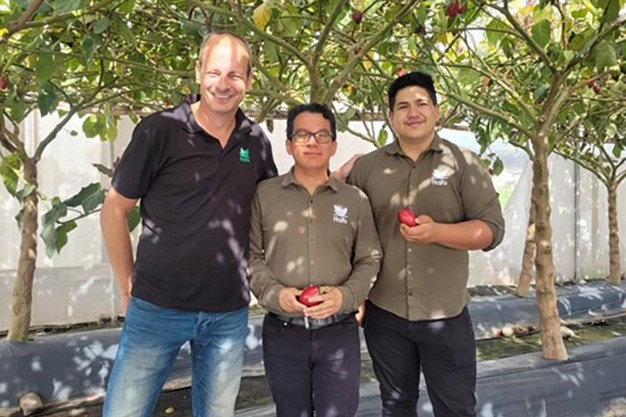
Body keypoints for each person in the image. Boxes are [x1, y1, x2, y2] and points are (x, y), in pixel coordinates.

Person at [99, 31, 277, 417]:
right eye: (214, 72)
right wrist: (126, 282)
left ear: (249, 80)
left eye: (234, 75)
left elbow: (274, 208)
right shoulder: (159, 130)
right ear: (198, 72)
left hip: (227, 313)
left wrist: (330, 180)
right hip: (157, 307)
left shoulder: (255, 141)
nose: (223, 84)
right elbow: (114, 210)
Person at [347, 72, 505, 417]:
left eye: (421, 103)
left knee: (456, 408)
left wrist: (437, 233)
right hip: (385, 313)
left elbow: (491, 230)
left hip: (445, 315)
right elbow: (348, 234)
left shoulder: (463, 163)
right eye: (403, 106)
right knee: (396, 405)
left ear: (437, 111)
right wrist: (356, 296)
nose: (413, 112)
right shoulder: (368, 168)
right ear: (391, 117)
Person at [248, 103, 382, 417]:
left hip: (338, 333)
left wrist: (345, 295)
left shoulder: (354, 199)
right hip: (283, 331)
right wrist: (275, 294)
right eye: (303, 135)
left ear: (334, 146)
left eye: (322, 135)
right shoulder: (264, 195)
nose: (312, 142)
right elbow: (251, 256)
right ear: (288, 144)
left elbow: (370, 258)